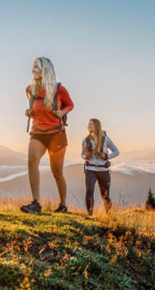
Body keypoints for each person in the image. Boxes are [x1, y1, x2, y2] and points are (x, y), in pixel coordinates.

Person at [20, 57, 74, 214]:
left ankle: (63, 205)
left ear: (45, 70)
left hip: (56, 133)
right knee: (32, 161)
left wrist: (62, 112)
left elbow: (70, 104)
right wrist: (29, 113)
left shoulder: (59, 89)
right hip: (38, 132)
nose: (33, 70)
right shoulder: (30, 89)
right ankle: (35, 204)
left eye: (36, 67)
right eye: (33, 67)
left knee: (56, 171)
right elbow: (35, 108)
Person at [81, 118, 119, 215]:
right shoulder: (85, 140)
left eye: (91, 124)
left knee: (105, 195)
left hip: (103, 170)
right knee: (89, 191)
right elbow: (82, 154)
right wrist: (85, 156)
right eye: (88, 124)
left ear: (97, 126)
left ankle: (109, 216)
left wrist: (107, 156)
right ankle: (90, 215)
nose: (89, 126)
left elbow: (116, 151)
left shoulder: (106, 139)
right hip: (90, 169)